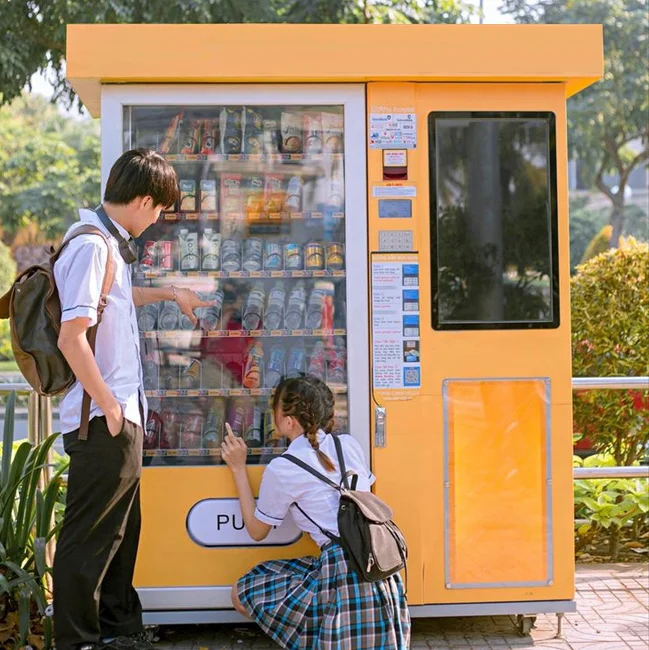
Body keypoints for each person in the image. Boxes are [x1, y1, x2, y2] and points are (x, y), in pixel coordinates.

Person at [53, 149, 211, 650]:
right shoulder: (92, 246)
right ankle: (76, 640)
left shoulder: (107, 245)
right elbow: (71, 337)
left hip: (116, 416)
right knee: (90, 537)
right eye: (159, 208)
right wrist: (111, 406)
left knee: (119, 533)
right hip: (102, 419)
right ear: (143, 201)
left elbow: (119, 300)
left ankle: (118, 629)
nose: (158, 218)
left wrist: (171, 293)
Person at [221, 375, 411, 650]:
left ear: (289, 421)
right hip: (378, 567)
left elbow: (256, 530)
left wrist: (238, 467)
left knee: (243, 592)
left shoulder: (283, 468)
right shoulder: (348, 445)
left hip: (339, 572)